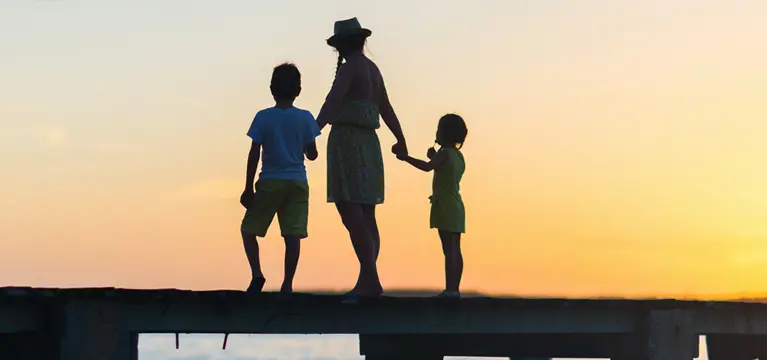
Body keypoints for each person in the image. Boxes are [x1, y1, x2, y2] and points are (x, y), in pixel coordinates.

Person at [315, 17, 408, 300]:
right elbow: (386, 108)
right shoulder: (372, 69)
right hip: (370, 143)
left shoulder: (349, 69)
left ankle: (370, 276)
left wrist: (312, 131)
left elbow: (333, 101)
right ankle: (368, 277)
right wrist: (400, 138)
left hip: (349, 143)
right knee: (366, 213)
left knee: (351, 208)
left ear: (341, 46)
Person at [239, 63, 321, 294]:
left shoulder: (263, 117)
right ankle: (287, 283)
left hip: (270, 181)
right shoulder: (305, 118)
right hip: (297, 182)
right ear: (299, 90)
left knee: (248, 230)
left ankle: (257, 274)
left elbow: (254, 153)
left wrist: (247, 187)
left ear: (272, 89)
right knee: (293, 234)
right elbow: (312, 154)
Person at [397, 114, 467, 298]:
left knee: (448, 249)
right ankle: (455, 288)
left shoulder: (444, 154)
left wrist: (406, 158)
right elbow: (444, 169)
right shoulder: (458, 156)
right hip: (456, 204)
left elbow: (428, 167)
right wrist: (435, 158)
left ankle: (450, 289)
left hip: (445, 205)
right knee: (455, 249)